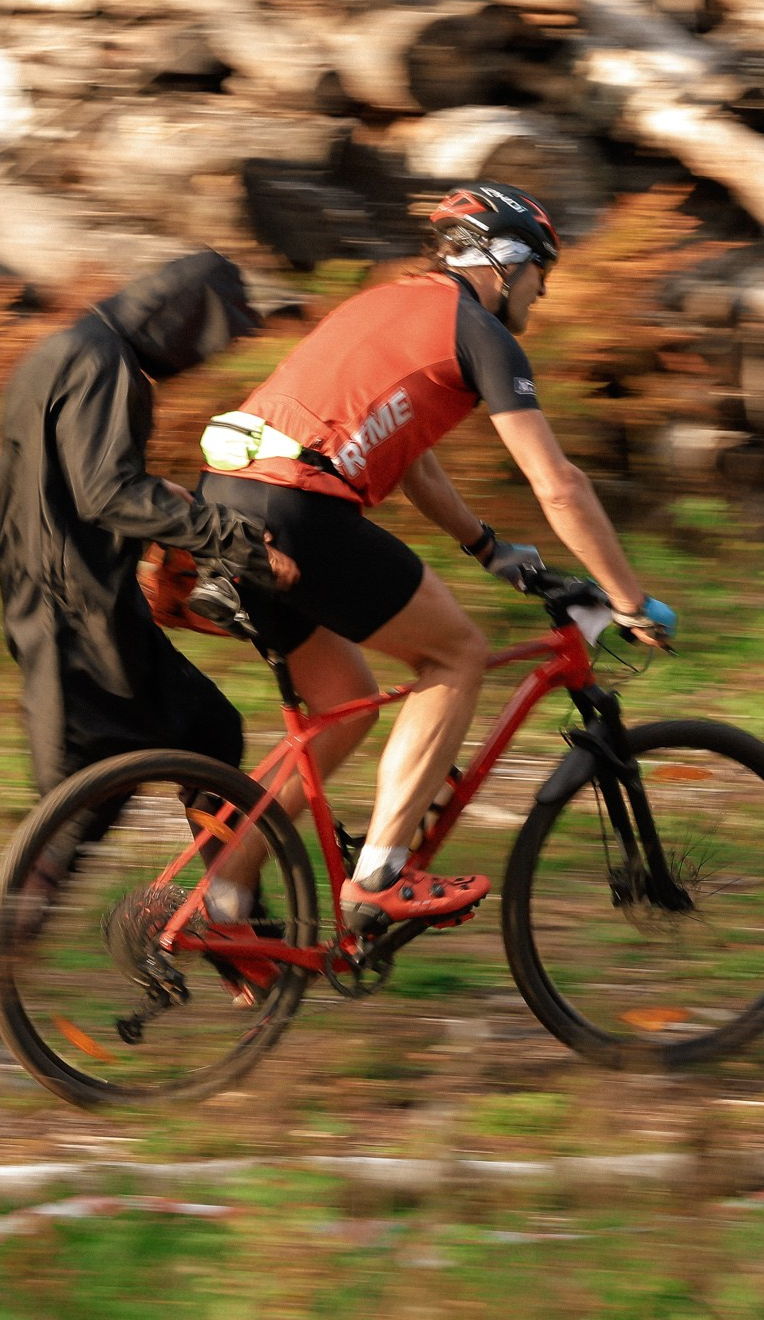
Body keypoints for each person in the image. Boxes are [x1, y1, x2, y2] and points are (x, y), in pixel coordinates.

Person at [196, 183, 676, 936]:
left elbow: (408, 457)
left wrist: (486, 547)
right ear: (506, 262)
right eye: (539, 278)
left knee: (340, 705)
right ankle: (381, 876)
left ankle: (221, 899)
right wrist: (627, 599)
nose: (538, 297)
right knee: (456, 655)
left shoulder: (383, 304)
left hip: (224, 502)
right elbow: (558, 484)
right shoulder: (482, 333)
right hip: (297, 509)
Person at [0, 249, 297, 1082]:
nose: (203, 360)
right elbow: (106, 491)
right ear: (180, 319)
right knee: (108, 798)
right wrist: (229, 540)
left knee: (140, 773)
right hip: (83, 623)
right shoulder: (108, 365)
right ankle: (231, 931)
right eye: (207, 341)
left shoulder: (60, 350)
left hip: (52, 614)